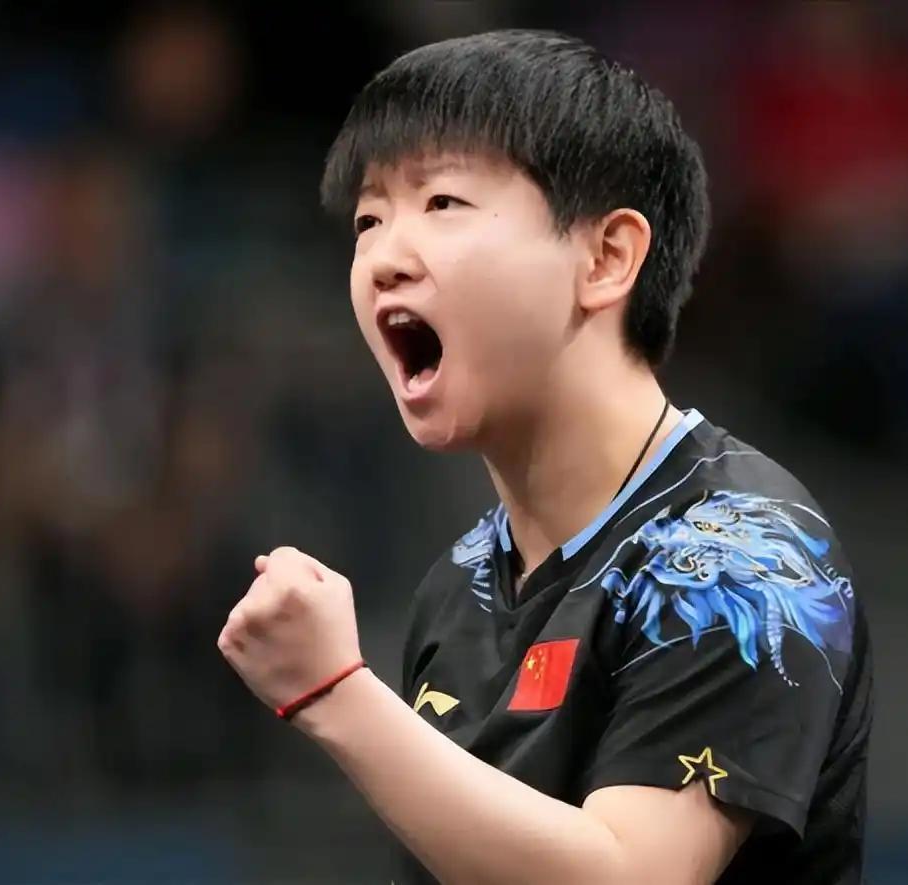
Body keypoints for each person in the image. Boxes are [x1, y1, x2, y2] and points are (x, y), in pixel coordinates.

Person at [217, 29, 873, 884]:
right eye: (369, 220)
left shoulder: (742, 555)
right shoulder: (461, 582)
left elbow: (635, 875)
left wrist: (335, 691)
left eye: (442, 202)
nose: (382, 260)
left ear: (606, 257)